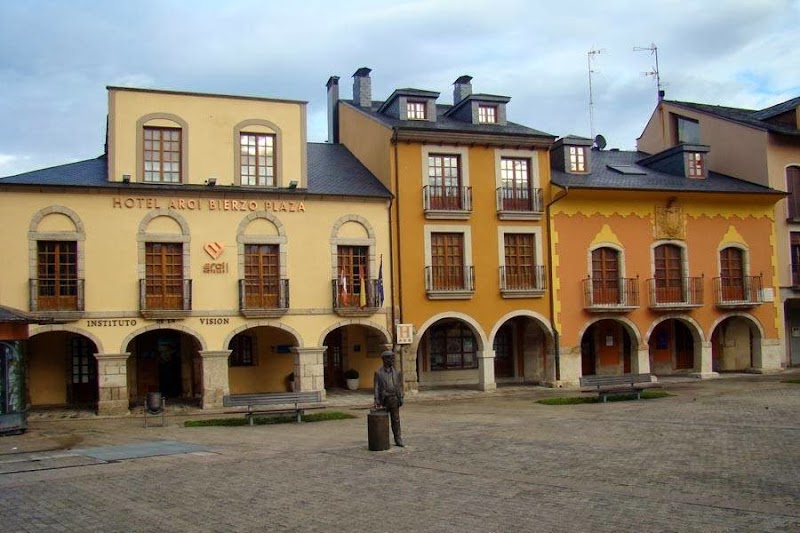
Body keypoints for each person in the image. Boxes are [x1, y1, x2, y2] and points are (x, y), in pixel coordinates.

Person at [374, 349, 404, 447]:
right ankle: (382, 439)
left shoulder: (397, 372)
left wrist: (401, 397)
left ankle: (398, 438)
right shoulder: (378, 373)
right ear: (384, 359)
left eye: (393, 358)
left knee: (396, 420)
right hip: (384, 400)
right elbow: (376, 387)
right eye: (391, 358)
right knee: (382, 421)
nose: (392, 360)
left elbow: (399, 385)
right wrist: (377, 400)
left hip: (394, 399)